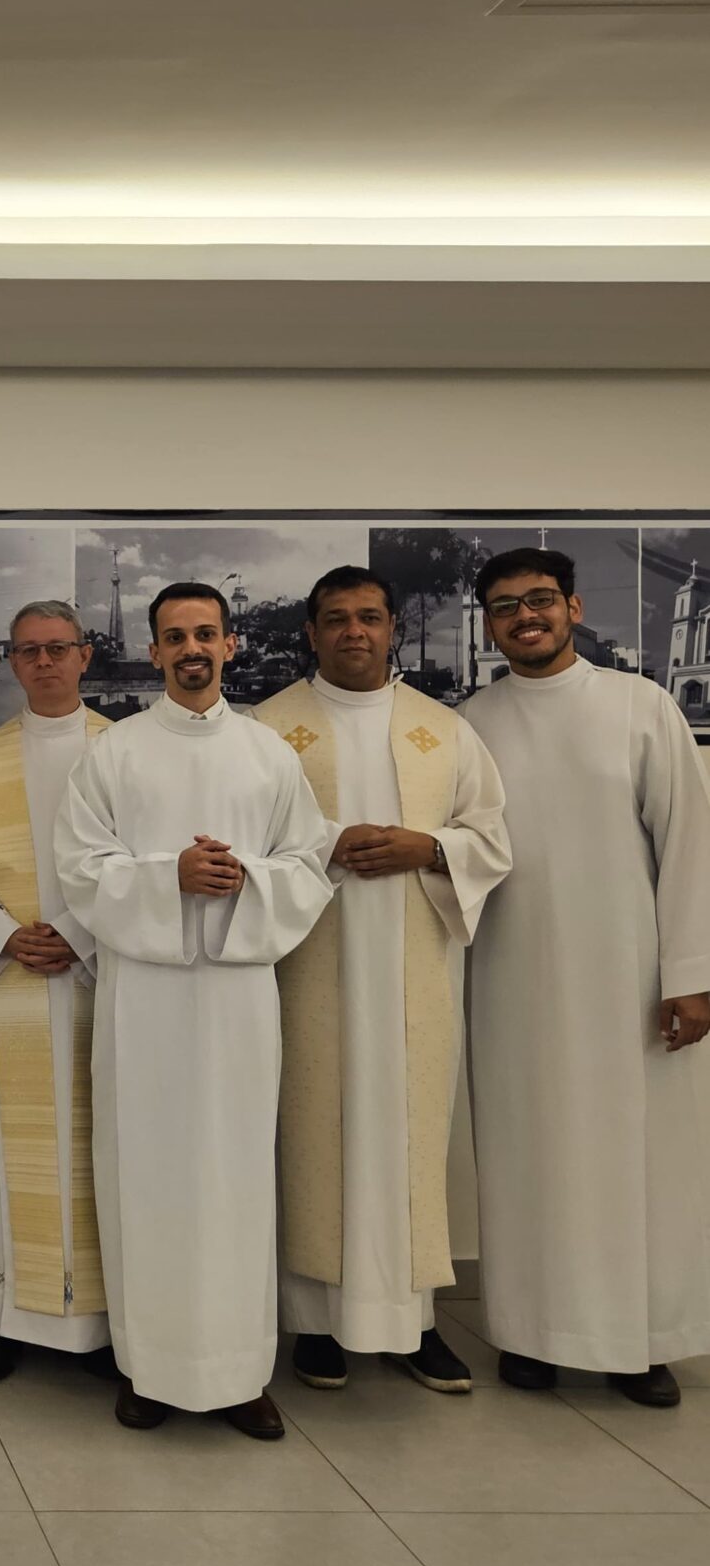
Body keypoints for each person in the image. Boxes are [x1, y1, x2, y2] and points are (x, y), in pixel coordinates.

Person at [55, 583, 331, 1439]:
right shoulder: (113, 753)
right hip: (145, 1001)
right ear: (153, 650)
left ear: (231, 644)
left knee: (235, 1177)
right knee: (147, 1174)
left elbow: (311, 863)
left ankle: (240, 1376)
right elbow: (78, 867)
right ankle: (151, 1369)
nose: (192, 649)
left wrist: (245, 873)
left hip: (239, 1001)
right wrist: (165, 876)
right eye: (175, 637)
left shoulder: (268, 754)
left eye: (206, 633)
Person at [462, 546, 710, 1407]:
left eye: (539, 601)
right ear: (489, 623)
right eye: (504, 607)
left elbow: (687, 846)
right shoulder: (472, 721)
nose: (524, 618)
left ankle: (640, 1342)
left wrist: (691, 972)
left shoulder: (640, 707)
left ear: (572, 608)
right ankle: (530, 1335)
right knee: (526, 1151)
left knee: (635, 1158)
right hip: (509, 974)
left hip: (627, 974)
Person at [255, 566, 510, 1394]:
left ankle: (411, 1325)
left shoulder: (444, 728)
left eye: (368, 617)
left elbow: (490, 837)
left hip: (413, 970)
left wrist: (428, 849)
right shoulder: (268, 728)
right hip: (308, 966)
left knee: (407, 1139)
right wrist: (327, 842)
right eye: (336, 619)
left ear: (392, 626)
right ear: (311, 632)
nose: (353, 632)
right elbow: (240, 835)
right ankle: (315, 1328)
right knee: (310, 1129)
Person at [0, 600, 116, 1384]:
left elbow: (144, 863)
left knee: (102, 1145)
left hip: (100, 982)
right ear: (11, 662)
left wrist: (78, 935)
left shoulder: (126, 753)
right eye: (28, 652)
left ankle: (103, 1320)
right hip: (9, 975)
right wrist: (5, 933)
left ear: (85, 656)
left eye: (59, 649)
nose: (44, 663)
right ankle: (1, 1314)